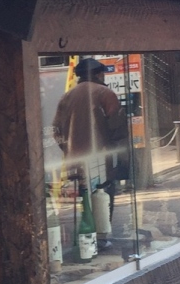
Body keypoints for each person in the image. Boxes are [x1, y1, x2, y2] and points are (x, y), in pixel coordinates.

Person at [52, 58, 129, 215]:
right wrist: (120, 159)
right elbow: (118, 129)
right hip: (101, 159)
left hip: (76, 161)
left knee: (86, 204)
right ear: (98, 74)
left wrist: (68, 149)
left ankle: (88, 228)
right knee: (103, 203)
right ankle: (101, 230)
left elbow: (56, 130)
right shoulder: (105, 94)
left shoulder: (66, 97)